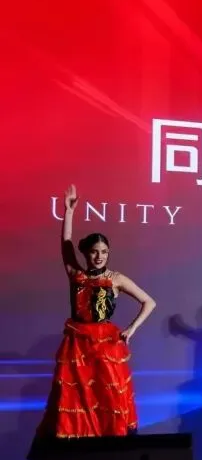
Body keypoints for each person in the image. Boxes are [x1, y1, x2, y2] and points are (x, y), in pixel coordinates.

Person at [34, 184, 157, 442]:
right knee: (76, 395)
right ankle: (78, 447)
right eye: (94, 251)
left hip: (105, 345)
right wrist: (69, 212)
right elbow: (66, 244)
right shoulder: (76, 275)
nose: (99, 256)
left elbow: (149, 302)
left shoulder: (116, 279)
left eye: (104, 252)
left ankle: (110, 448)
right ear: (86, 253)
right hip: (77, 344)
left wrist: (132, 328)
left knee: (107, 394)